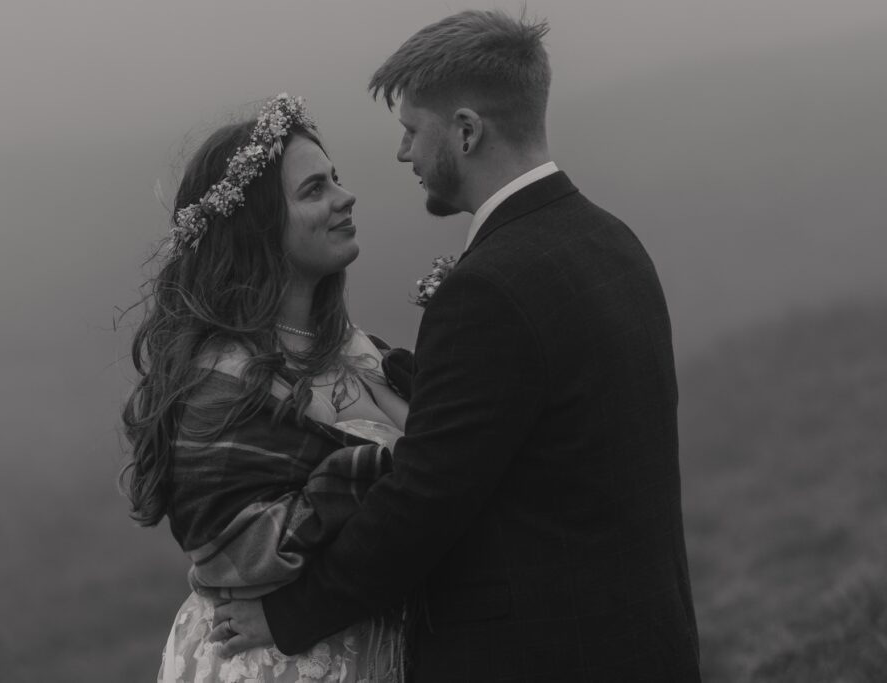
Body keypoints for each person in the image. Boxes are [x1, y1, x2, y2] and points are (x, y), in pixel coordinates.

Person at [212, 11, 702, 682]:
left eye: (413, 132)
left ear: (466, 131)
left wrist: (289, 614)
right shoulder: (613, 240)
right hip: (646, 641)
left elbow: (425, 500)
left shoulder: (489, 292)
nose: (403, 154)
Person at [121, 94, 408, 682]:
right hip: (274, 661)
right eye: (313, 190)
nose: (344, 197)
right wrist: (397, 469)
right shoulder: (219, 385)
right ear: (258, 229)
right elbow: (233, 551)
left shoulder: (360, 348)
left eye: (336, 179)